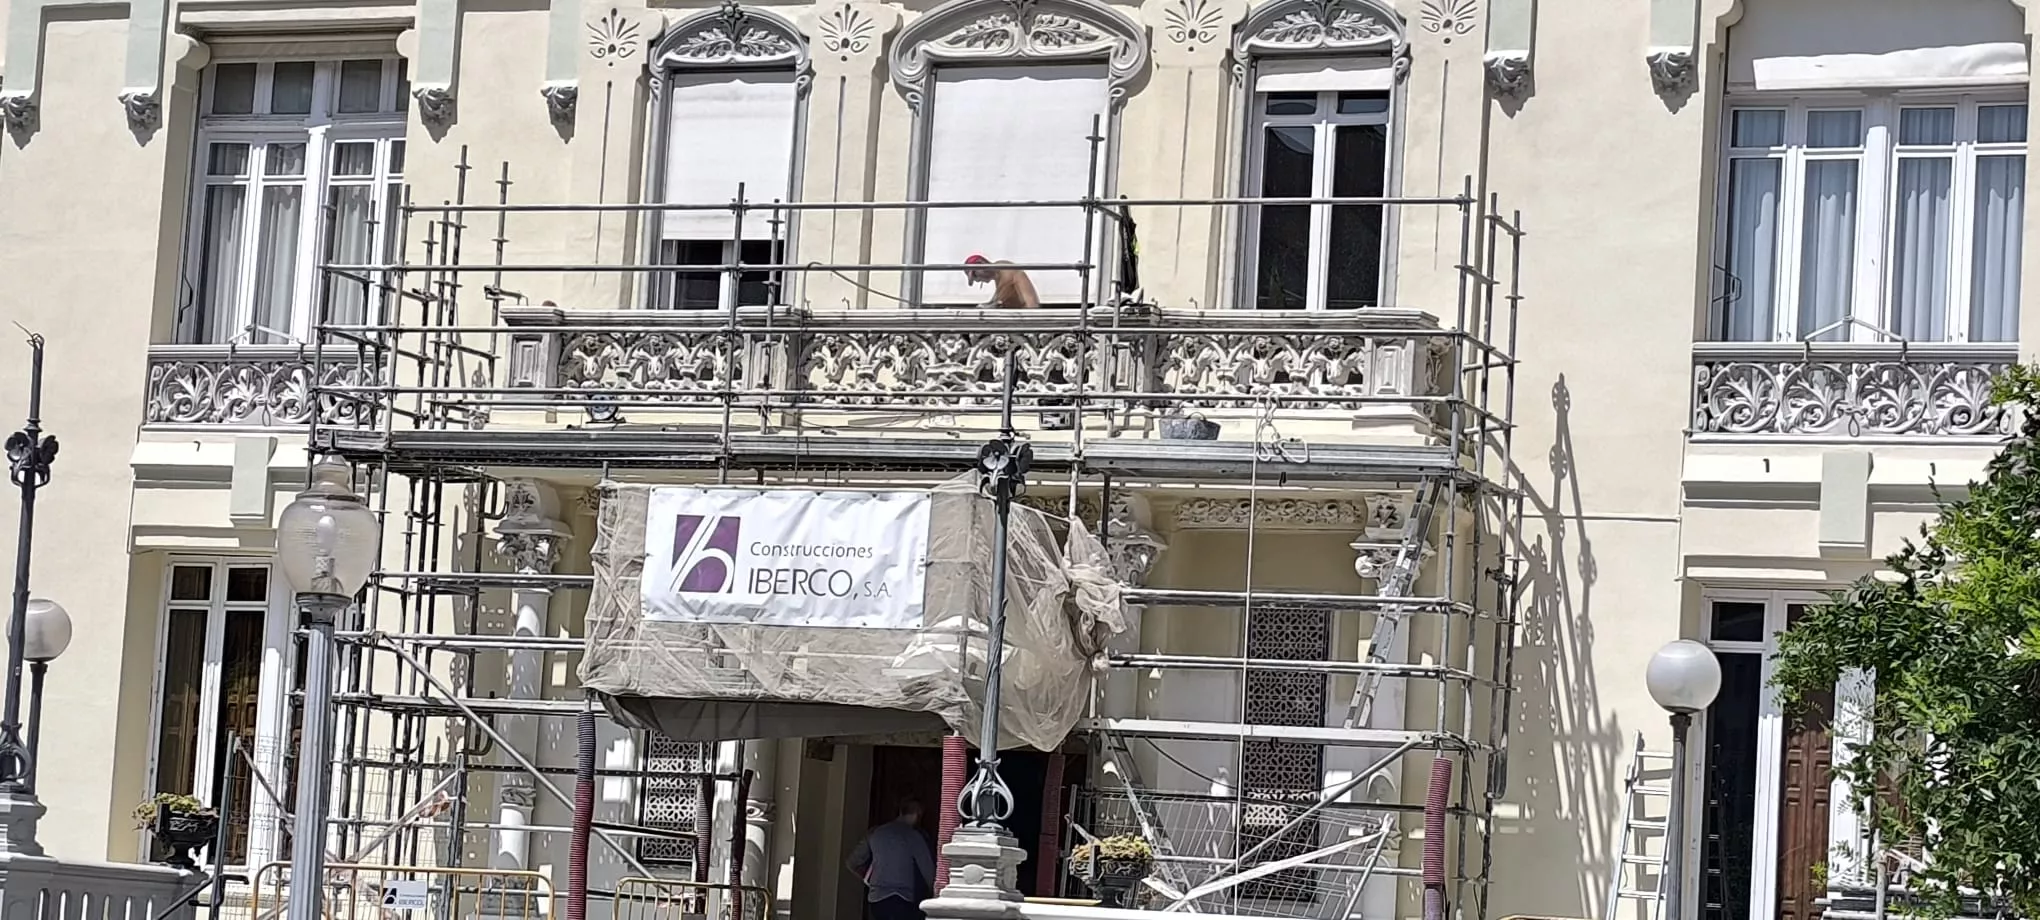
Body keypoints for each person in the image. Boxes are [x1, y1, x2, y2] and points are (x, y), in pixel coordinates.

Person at [848, 796, 936, 920]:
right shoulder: (913, 836)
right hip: (902, 898)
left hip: (876, 898)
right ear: (918, 814)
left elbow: (852, 862)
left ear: (900, 811)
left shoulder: (875, 832)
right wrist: (935, 896)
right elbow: (928, 870)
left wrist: (867, 879)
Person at [963, 253, 1042, 308]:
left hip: (1027, 314)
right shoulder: (999, 269)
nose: (977, 280)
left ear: (982, 264)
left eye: (975, 275)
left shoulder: (1005, 270)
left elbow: (997, 301)